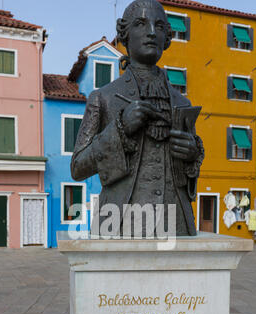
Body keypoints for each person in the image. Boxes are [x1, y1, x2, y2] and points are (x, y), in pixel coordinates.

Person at [71, 0, 204, 237]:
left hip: (176, 224)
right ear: (125, 34)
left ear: (167, 37)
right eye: (141, 24)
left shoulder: (182, 103)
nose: (152, 32)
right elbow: (78, 167)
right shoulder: (103, 98)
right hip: (118, 222)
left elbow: (187, 176)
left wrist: (191, 154)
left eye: (160, 26)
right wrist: (119, 131)